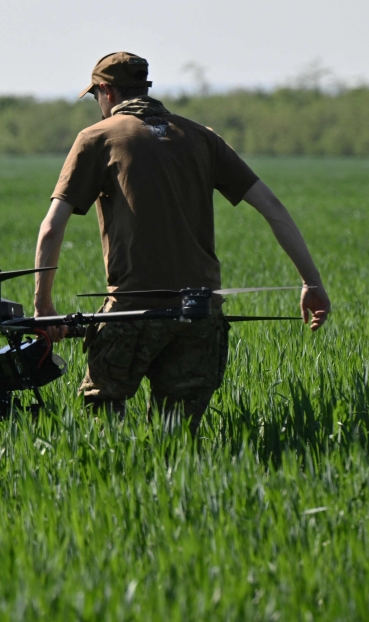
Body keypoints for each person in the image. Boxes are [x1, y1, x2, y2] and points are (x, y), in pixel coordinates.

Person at [33, 51, 330, 434]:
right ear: (144, 87)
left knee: (103, 423)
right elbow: (272, 207)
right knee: (178, 435)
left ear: (106, 91)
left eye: (95, 97)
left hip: (132, 311)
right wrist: (311, 282)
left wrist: (43, 306)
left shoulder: (97, 137)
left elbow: (51, 228)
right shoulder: (202, 137)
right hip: (199, 313)